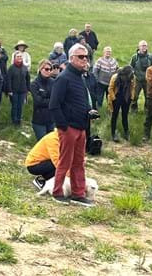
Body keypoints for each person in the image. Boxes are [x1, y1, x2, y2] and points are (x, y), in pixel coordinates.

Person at [49, 43, 95, 207]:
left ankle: (78, 193)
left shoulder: (80, 78)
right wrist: (63, 126)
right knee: (65, 161)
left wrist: (89, 112)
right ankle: (57, 192)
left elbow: (80, 101)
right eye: (81, 57)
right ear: (72, 58)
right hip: (69, 128)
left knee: (79, 162)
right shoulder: (63, 78)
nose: (85, 60)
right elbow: (54, 104)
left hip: (81, 127)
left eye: (87, 57)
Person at [108, 65, 135, 142]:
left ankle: (126, 133)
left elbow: (133, 87)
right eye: (130, 73)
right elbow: (110, 88)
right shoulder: (115, 77)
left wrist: (131, 98)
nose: (131, 75)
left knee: (125, 115)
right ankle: (113, 134)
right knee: (114, 116)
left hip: (126, 97)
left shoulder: (132, 77)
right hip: (117, 97)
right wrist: (114, 99)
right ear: (125, 73)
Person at [31, 59, 55, 140]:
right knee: (42, 142)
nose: (48, 71)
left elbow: (57, 99)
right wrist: (51, 101)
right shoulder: (34, 84)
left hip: (51, 119)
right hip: (39, 119)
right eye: (46, 69)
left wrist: (47, 100)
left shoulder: (53, 82)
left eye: (50, 69)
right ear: (40, 69)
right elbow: (38, 101)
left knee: (51, 143)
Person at [6, 51, 30, 126]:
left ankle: (19, 120)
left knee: (20, 106)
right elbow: (8, 80)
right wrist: (9, 90)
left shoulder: (25, 68)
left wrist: (28, 89)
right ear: (15, 58)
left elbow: (28, 79)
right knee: (15, 106)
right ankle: (14, 121)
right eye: (18, 57)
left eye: (20, 56)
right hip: (14, 91)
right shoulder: (11, 68)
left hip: (22, 91)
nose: (19, 58)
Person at [92, 46, 117, 110]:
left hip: (111, 84)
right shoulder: (100, 61)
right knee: (99, 98)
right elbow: (95, 71)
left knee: (110, 98)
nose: (108, 53)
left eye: (109, 52)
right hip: (101, 83)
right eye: (107, 52)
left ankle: (110, 110)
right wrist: (97, 80)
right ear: (104, 52)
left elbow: (117, 70)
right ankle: (98, 110)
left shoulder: (114, 61)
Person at [130, 40, 151, 111]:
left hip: (147, 80)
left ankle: (147, 110)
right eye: (142, 45)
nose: (144, 47)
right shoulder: (134, 57)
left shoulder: (150, 57)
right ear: (139, 47)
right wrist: (133, 76)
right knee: (134, 96)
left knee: (148, 96)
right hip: (137, 80)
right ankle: (133, 109)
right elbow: (131, 68)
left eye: (145, 45)